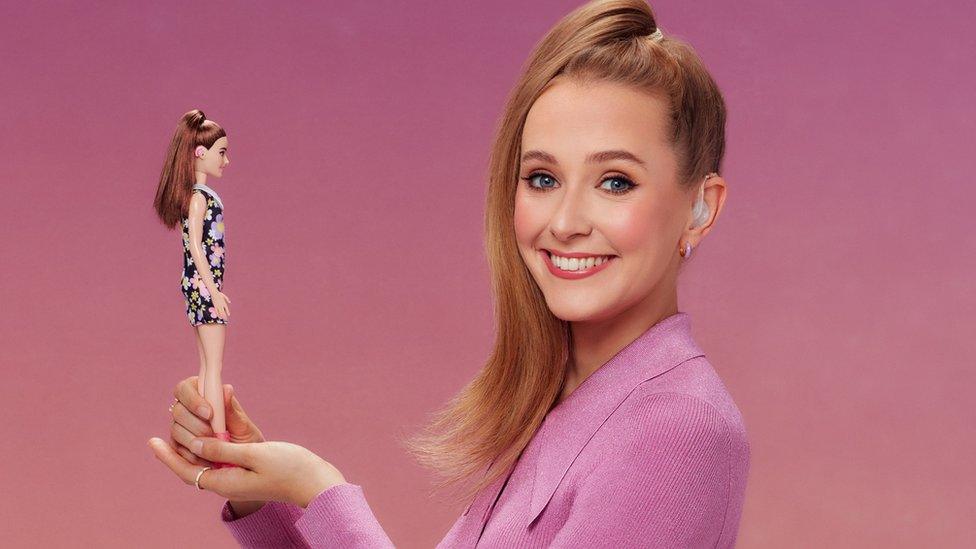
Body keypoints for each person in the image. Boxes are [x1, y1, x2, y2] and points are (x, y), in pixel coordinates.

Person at [147, 0, 750, 546]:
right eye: (542, 179)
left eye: (615, 182)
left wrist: (317, 491)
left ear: (701, 208)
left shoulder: (679, 432)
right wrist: (269, 493)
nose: (565, 222)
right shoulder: (559, 407)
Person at [152, 109, 236, 468]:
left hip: (196, 287)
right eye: (221, 151)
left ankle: (208, 440)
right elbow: (196, 248)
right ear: (200, 153)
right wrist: (214, 290)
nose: (226, 160)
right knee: (214, 367)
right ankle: (221, 445)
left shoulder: (197, 195)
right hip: (203, 287)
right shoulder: (201, 197)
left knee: (206, 366)